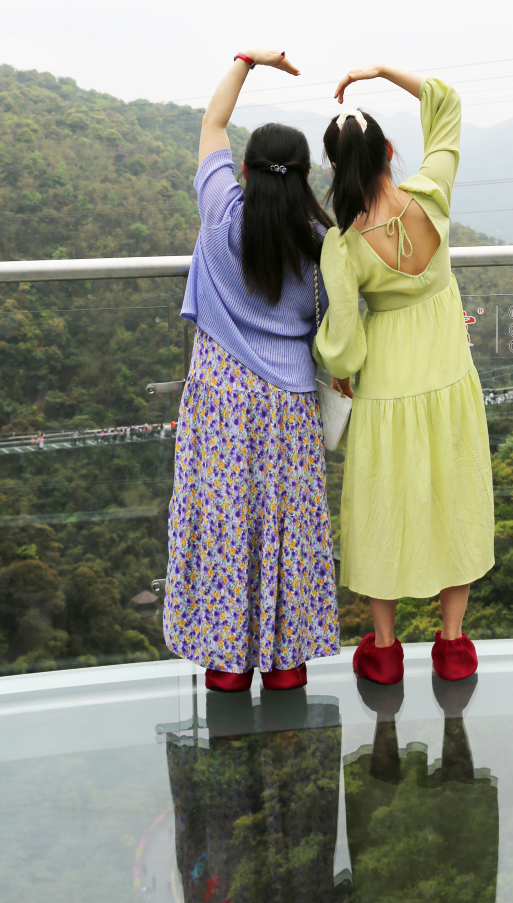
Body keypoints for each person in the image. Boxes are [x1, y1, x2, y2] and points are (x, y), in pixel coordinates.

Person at [163, 47, 340, 693]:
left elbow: (213, 122)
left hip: (220, 397)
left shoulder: (220, 215)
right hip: (290, 402)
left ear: (243, 170)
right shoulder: (321, 246)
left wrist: (247, 61)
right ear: (305, 178)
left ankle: (227, 669)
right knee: (288, 530)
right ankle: (287, 666)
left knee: (224, 524)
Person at [314, 64, 494, 684]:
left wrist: (341, 369)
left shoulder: (343, 244)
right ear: (390, 151)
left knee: (382, 505)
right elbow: (446, 106)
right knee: (454, 496)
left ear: (335, 166)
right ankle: (453, 645)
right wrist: (381, 71)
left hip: (386, 389)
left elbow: (342, 344)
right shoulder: (431, 194)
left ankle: (385, 650)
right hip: (449, 373)